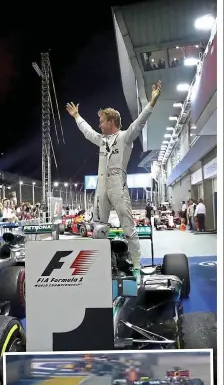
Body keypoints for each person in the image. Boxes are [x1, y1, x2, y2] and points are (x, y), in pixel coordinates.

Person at [66, 80, 163, 279]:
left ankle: (136, 265)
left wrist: (152, 102)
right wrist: (77, 116)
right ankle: (102, 264)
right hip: (102, 187)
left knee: (128, 227)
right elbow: (87, 133)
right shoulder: (101, 140)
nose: (99, 124)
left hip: (119, 185)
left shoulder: (125, 137)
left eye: (101, 121)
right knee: (99, 228)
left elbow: (140, 123)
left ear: (111, 122)